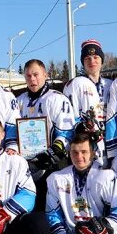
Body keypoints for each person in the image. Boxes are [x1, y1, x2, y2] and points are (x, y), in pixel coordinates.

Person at [18, 59, 76, 209]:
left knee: (52, 207)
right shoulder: (19, 101)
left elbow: (66, 132)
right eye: (28, 75)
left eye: (36, 74)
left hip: (52, 164)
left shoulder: (57, 99)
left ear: (45, 74)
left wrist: (52, 152)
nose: (32, 79)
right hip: (26, 165)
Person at [63, 39, 112, 165]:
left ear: (102, 60)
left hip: (111, 146)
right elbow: (68, 118)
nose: (92, 61)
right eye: (87, 58)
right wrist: (81, 128)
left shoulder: (111, 85)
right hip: (87, 149)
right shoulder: (75, 85)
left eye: (96, 57)